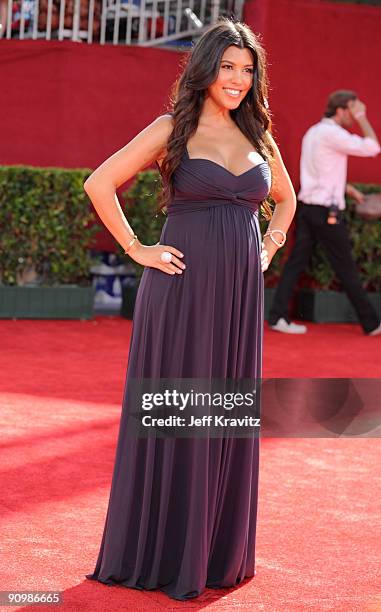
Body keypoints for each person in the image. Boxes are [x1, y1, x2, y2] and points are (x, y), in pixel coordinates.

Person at [84, 18, 296, 601]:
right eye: (227, 67)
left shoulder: (260, 134)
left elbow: (287, 199)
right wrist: (138, 250)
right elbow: (99, 183)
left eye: (247, 70)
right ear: (205, 68)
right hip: (179, 294)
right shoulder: (170, 128)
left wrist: (268, 245)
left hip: (238, 299)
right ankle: (163, 549)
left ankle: (215, 549)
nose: (237, 79)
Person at [268, 90, 381, 336]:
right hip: (326, 213)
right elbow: (373, 147)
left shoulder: (314, 132)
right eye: (353, 109)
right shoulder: (333, 134)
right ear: (341, 110)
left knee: (296, 263)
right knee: (346, 267)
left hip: (309, 208)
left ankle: (277, 316)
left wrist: (348, 190)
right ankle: (372, 323)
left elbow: (321, 171)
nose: (354, 115)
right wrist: (363, 118)